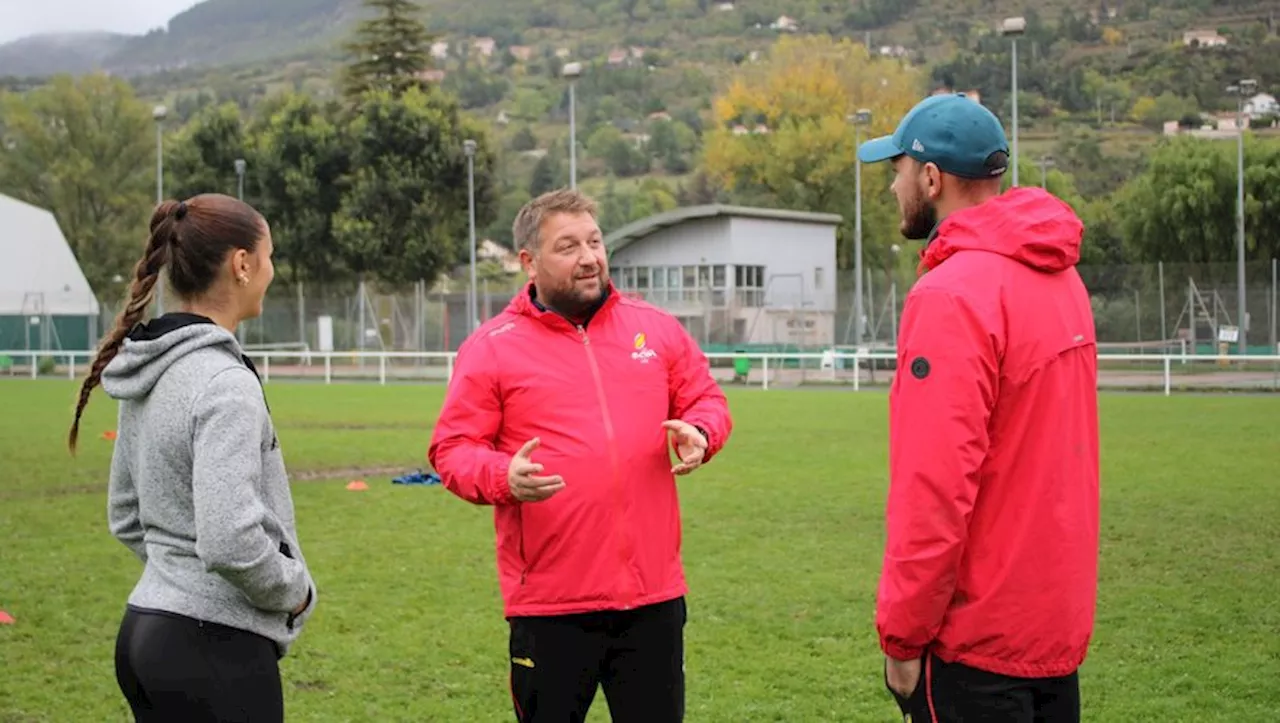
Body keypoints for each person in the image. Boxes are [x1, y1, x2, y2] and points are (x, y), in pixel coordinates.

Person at [428, 188, 733, 723]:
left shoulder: (655, 329)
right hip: (550, 609)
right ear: (529, 262)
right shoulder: (493, 346)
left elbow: (706, 398)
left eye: (594, 241)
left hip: (652, 600)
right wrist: (503, 475)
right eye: (568, 246)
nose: (589, 257)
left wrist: (702, 431)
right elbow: (452, 449)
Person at [857, 93, 1100, 722]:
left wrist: (903, 636)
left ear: (931, 178)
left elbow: (934, 488)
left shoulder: (950, 294)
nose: (893, 186)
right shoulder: (1061, 277)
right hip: (1053, 630)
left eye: (899, 170)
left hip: (976, 643)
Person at [68, 194, 318, 722]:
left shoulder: (154, 367)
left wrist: (175, 576)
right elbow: (231, 539)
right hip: (212, 650)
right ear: (242, 264)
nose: (272, 270)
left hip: (145, 633)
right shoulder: (226, 383)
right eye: (269, 256)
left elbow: (125, 514)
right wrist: (294, 591)